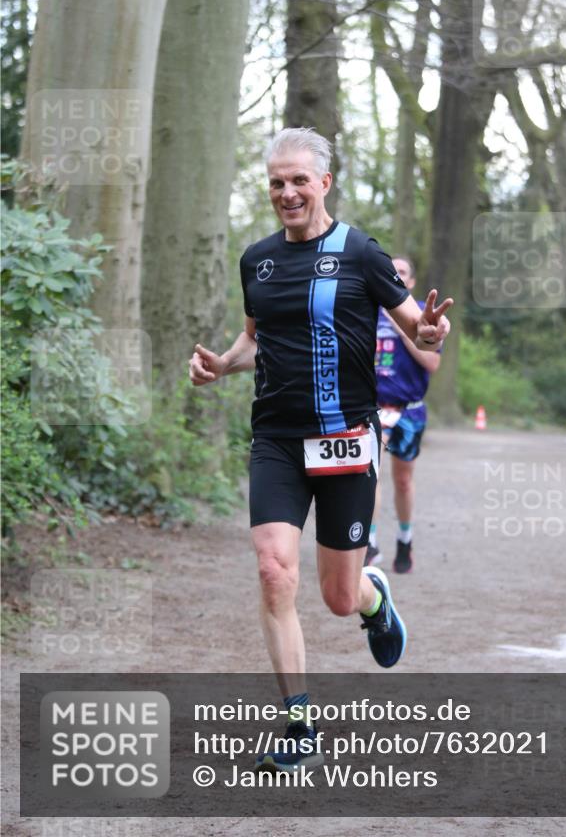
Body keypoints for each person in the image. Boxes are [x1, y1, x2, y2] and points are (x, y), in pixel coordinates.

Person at [189, 127, 452, 773]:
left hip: (344, 439)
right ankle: (300, 724)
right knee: (274, 569)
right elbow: (256, 340)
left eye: (298, 180)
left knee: (337, 596)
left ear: (324, 183)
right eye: (276, 182)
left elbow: (416, 327)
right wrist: (222, 364)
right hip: (277, 438)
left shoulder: (359, 252)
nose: (286, 192)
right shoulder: (257, 260)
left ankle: (372, 599)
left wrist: (430, 329)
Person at [367, 256, 441, 574]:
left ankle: (405, 538)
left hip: (410, 410)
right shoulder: (368, 312)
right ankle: (369, 544)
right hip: (374, 408)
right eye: (390, 271)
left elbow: (432, 364)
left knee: (403, 480)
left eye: (402, 272)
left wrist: (403, 327)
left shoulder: (423, 313)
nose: (395, 276)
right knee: (369, 474)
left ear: (410, 282)